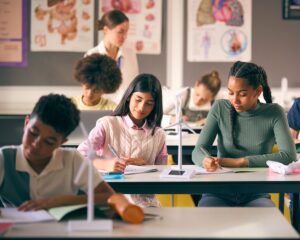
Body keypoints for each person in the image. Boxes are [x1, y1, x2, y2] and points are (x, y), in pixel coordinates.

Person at [192, 61, 297, 207]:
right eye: (230, 92)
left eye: (242, 94)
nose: (235, 100)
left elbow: (288, 156)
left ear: (258, 91)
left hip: (257, 194)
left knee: (270, 227)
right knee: (203, 223)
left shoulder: (274, 112)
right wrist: (205, 160)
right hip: (218, 191)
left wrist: (241, 162)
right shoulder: (219, 108)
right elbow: (198, 150)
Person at [0, 94, 114, 210]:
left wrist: (59, 201)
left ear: (62, 142)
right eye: (33, 133)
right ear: (27, 122)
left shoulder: (73, 160)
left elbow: (110, 197)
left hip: (62, 227)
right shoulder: (4, 158)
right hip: (16, 227)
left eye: (49, 141)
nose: (36, 144)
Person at [78, 73, 167, 207]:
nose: (142, 107)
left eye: (149, 103)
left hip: (145, 202)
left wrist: (145, 163)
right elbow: (79, 156)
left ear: (155, 106)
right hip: (110, 199)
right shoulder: (107, 125)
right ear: (129, 97)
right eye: (138, 99)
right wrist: (106, 165)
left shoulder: (159, 134)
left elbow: (162, 174)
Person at [85, 9, 138, 102]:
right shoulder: (92, 55)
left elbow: (135, 85)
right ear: (106, 30)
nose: (125, 36)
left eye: (126, 32)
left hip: (125, 109)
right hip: (102, 109)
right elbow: (89, 91)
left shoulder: (130, 54)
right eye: (120, 32)